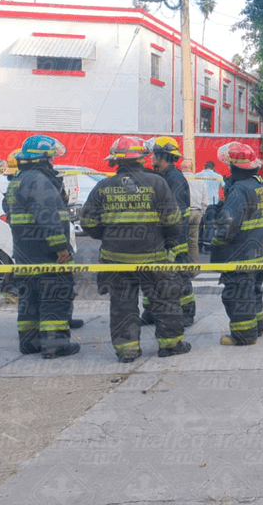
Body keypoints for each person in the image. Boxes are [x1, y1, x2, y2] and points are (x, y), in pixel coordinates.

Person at [80, 135, 190, 362]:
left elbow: (88, 223)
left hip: (115, 259)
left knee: (122, 304)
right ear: (143, 158)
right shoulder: (157, 183)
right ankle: (170, 345)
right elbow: (173, 221)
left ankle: (127, 351)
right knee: (164, 300)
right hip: (154, 257)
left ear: (115, 161)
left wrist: (108, 235)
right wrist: (167, 241)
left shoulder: (103, 186)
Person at [1, 135, 80, 358]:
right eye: (52, 158)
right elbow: (50, 218)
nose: (54, 162)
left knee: (29, 299)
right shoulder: (40, 181)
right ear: (42, 159)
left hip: (25, 255)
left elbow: (8, 209)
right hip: (47, 255)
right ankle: (55, 346)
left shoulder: (18, 179)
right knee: (55, 297)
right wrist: (61, 249)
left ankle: (29, 343)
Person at [207, 142, 263, 346]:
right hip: (258, 251)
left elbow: (227, 227)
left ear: (234, 167)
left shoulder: (239, 190)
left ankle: (244, 335)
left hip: (239, 254)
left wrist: (216, 243)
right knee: (253, 291)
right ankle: (257, 327)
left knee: (237, 294)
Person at [145, 136, 197, 327]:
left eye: (154, 156)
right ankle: (150, 312)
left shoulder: (175, 180)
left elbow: (177, 213)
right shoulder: (162, 177)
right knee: (153, 277)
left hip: (174, 241)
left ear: (162, 157)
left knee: (179, 278)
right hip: (159, 238)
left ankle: (187, 313)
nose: (151, 159)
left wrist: (171, 243)